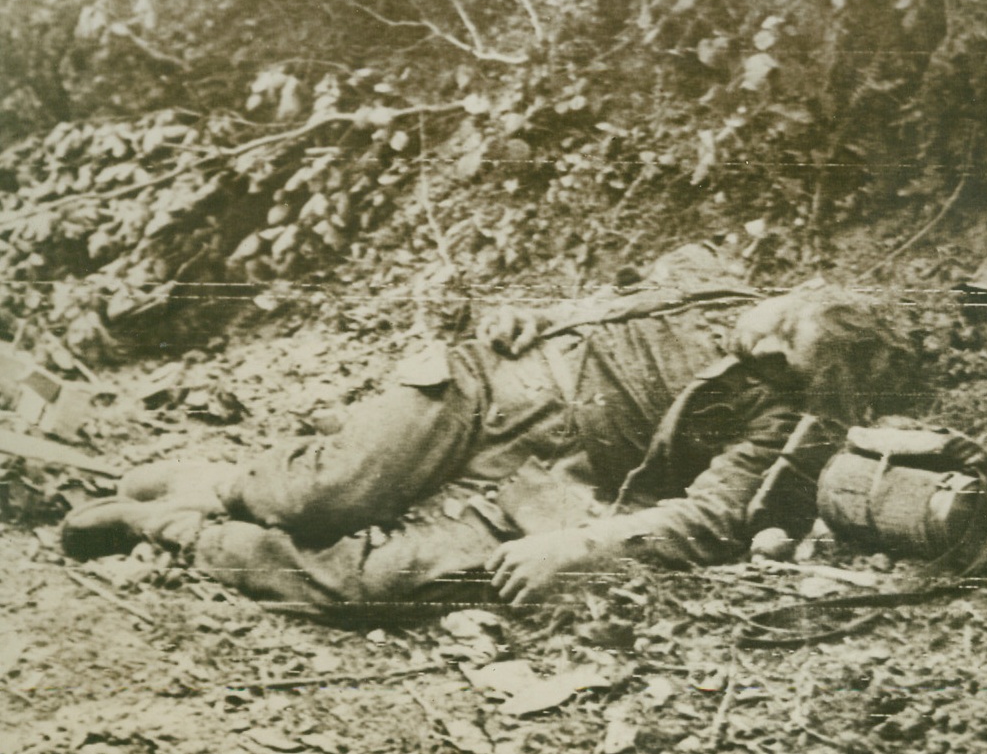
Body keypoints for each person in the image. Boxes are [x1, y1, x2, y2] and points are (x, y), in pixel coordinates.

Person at [61, 246, 914, 622]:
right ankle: (221, 481)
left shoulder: (779, 419)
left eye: (784, 358)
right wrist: (533, 314)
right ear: (790, 293)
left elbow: (708, 521)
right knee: (323, 495)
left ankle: (167, 524)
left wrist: (584, 547)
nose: (759, 346)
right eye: (776, 324)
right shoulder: (710, 287)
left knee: (366, 587)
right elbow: (598, 304)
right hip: (486, 387)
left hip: (546, 481)